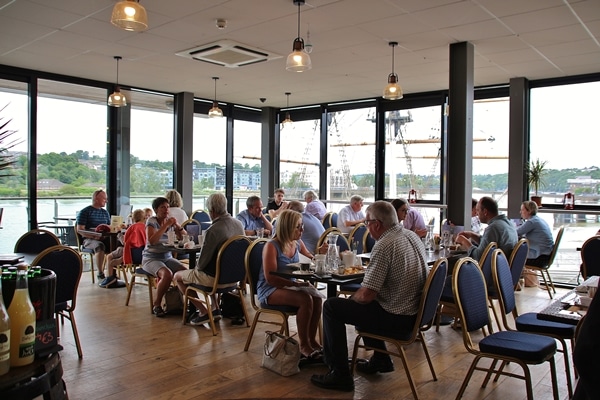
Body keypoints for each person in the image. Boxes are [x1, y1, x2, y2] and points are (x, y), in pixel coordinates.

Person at [311, 201, 428, 391]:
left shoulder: (384, 245)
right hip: (416, 314)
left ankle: (339, 374)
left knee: (332, 307)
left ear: (377, 224)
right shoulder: (411, 236)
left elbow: (366, 295)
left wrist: (351, 301)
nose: (366, 226)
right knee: (362, 307)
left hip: (398, 319)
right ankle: (381, 359)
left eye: (367, 222)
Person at [258, 210, 323, 361]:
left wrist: (320, 254)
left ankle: (312, 340)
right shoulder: (272, 246)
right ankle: (304, 345)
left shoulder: (297, 243)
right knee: (305, 299)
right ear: (287, 227)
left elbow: (311, 259)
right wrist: (297, 286)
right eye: (298, 227)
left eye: (302, 226)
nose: (302, 230)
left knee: (317, 298)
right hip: (269, 289)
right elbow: (270, 278)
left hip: (289, 286)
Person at [173, 193, 244, 325]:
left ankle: (204, 311)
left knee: (178, 276)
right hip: (235, 278)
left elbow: (202, 264)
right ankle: (215, 308)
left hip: (216, 280)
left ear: (212, 212)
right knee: (212, 268)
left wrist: (195, 268)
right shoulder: (238, 224)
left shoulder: (213, 230)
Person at [142, 197, 188, 317]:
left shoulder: (170, 222)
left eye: (167, 207)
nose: (166, 210)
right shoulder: (151, 221)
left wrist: (177, 226)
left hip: (167, 256)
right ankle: (157, 305)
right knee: (167, 274)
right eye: (162, 207)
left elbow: (184, 238)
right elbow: (152, 241)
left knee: (185, 273)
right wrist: (165, 225)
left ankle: (186, 303)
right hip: (151, 258)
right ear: (156, 209)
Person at [455, 196, 518, 261]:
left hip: (493, 269)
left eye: (478, 210)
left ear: (485, 212)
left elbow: (478, 257)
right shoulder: (507, 223)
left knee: (455, 264)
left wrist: (464, 241)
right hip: (505, 267)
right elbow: (488, 244)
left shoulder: (493, 228)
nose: (477, 213)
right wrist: (472, 235)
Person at [100, 208, 147, 288]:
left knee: (110, 259)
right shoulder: (146, 228)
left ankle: (110, 278)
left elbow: (125, 243)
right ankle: (112, 278)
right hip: (144, 255)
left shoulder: (132, 228)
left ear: (133, 218)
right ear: (144, 218)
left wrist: (119, 232)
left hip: (131, 254)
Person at [76, 189, 111, 282]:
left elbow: (109, 227)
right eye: (104, 199)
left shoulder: (105, 213)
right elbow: (79, 230)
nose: (106, 201)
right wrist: (93, 236)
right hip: (88, 240)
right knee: (100, 246)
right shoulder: (84, 212)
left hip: (103, 237)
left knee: (118, 244)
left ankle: (112, 273)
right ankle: (100, 273)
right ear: (96, 199)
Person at [517, 200, 554, 266]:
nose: (520, 212)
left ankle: (513, 276)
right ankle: (526, 275)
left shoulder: (531, 222)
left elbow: (517, 232)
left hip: (540, 258)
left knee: (512, 258)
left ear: (529, 211)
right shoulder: (538, 220)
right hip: (546, 255)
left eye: (522, 210)